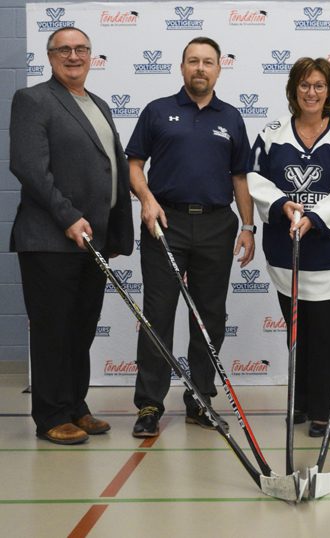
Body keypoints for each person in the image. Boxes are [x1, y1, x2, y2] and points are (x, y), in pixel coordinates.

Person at [9, 27, 134, 445]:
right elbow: (29, 167)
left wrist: (113, 234)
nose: (74, 55)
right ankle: (50, 416)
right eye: (64, 49)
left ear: (91, 56)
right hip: (51, 238)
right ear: (50, 56)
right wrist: (68, 216)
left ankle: (75, 406)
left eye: (81, 49)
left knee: (81, 327)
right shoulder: (33, 100)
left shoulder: (97, 105)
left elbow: (107, 169)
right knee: (53, 329)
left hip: (91, 241)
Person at [127, 37, 254, 438]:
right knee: (158, 314)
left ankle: (200, 400)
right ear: (182, 67)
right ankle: (149, 404)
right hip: (166, 222)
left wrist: (248, 227)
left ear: (219, 69)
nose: (200, 68)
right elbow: (134, 166)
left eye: (208, 62)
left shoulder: (232, 117)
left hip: (218, 225)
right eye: (193, 61)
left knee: (209, 317)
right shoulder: (157, 111)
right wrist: (147, 200)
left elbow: (239, 178)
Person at [247, 57, 330, 437]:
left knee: (326, 334)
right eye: (304, 85)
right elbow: (255, 179)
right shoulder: (272, 132)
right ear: (293, 89)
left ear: (328, 91)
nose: (311, 92)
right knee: (296, 333)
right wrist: (283, 205)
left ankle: (324, 410)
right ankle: (300, 401)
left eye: (318, 85)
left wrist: (313, 218)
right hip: (287, 255)